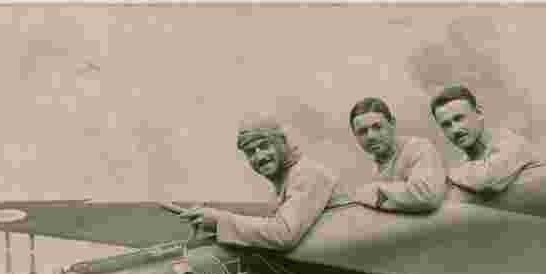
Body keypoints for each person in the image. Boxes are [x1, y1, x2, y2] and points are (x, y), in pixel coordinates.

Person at [179, 118, 346, 250]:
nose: (260, 157)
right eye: (251, 152)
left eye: (264, 146)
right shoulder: (289, 178)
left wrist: (218, 220)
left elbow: (283, 234)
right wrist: (213, 219)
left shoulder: (308, 174)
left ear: (283, 141)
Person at [429, 84, 534, 194]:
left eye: (459, 118)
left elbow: (487, 181)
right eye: (446, 125)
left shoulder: (512, 144)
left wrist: (447, 173)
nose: (455, 130)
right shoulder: (465, 165)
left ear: (479, 113)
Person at [348, 97, 446, 213]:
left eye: (377, 127)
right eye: (362, 131)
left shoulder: (419, 148)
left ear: (392, 123)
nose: (371, 137)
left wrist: (374, 192)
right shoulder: (369, 171)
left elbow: (428, 196)